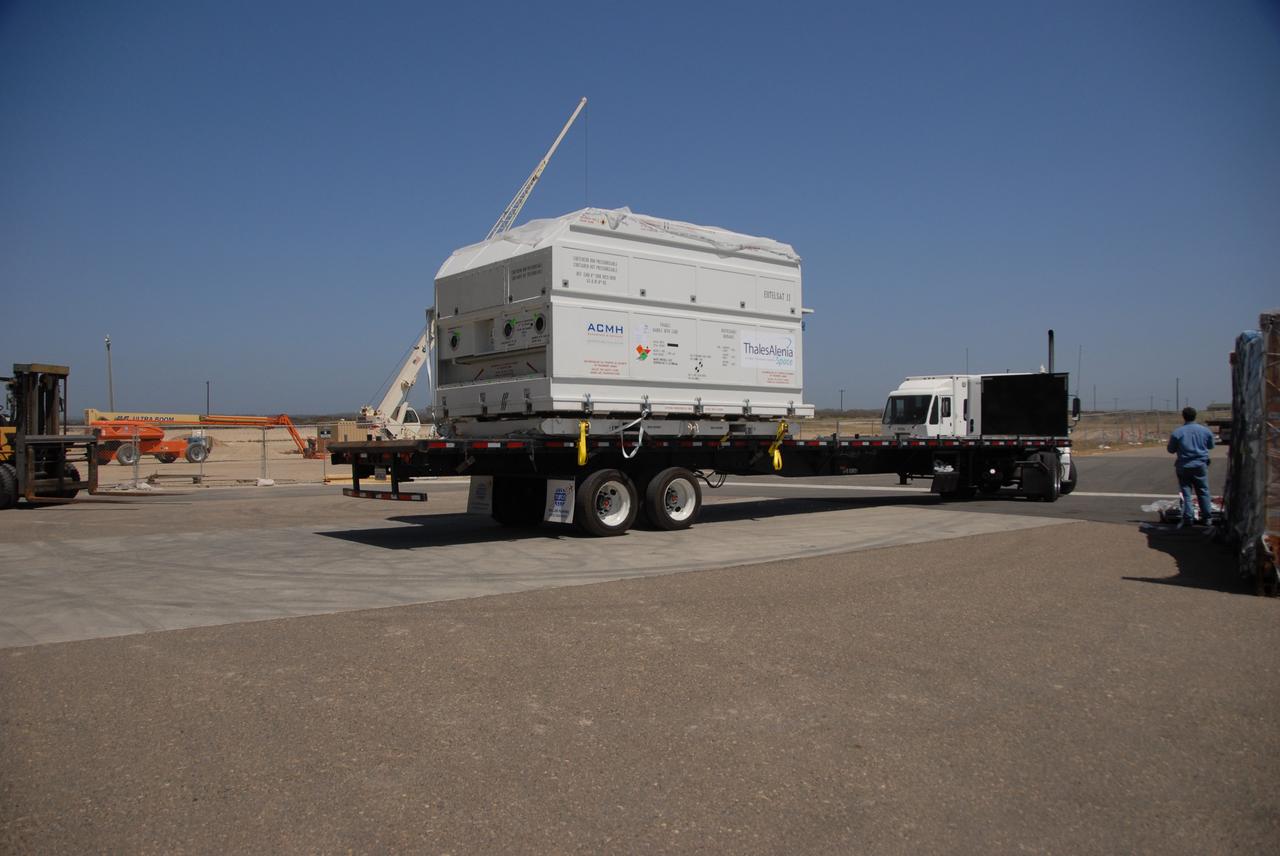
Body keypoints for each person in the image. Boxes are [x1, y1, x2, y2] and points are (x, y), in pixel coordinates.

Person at [1167, 406, 1215, 526]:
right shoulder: (1205, 431)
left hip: (1184, 465)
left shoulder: (1178, 432)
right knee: (1203, 491)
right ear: (1195, 416)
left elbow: (1171, 449)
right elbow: (1211, 446)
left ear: (1183, 417)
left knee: (1185, 492)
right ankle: (1207, 518)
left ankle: (1188, 517)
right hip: (1200, 464)